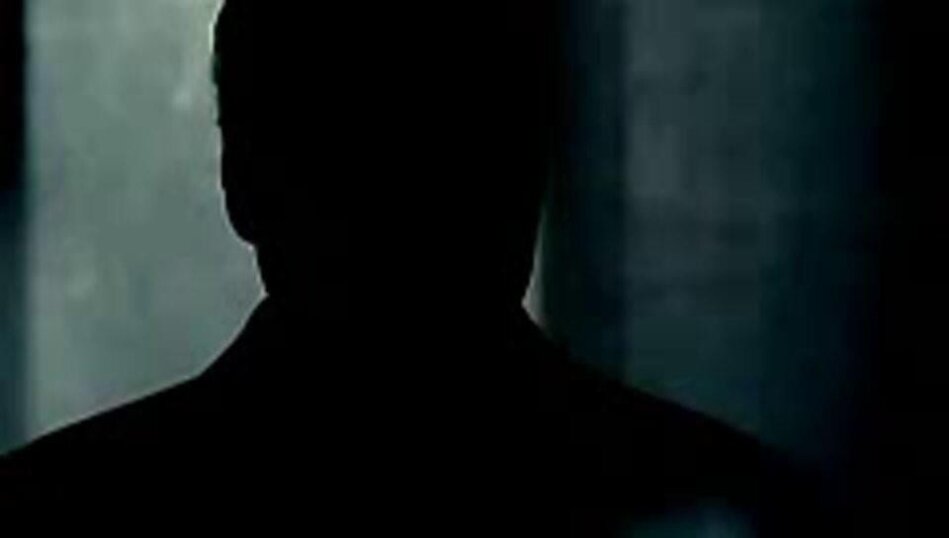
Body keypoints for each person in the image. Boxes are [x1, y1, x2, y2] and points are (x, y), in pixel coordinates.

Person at [1, 1, 834, 534]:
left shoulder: (64, 508)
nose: (406, 192)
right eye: (366, 151)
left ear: (242, 179)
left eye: (442, 146)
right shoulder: (734, 505)